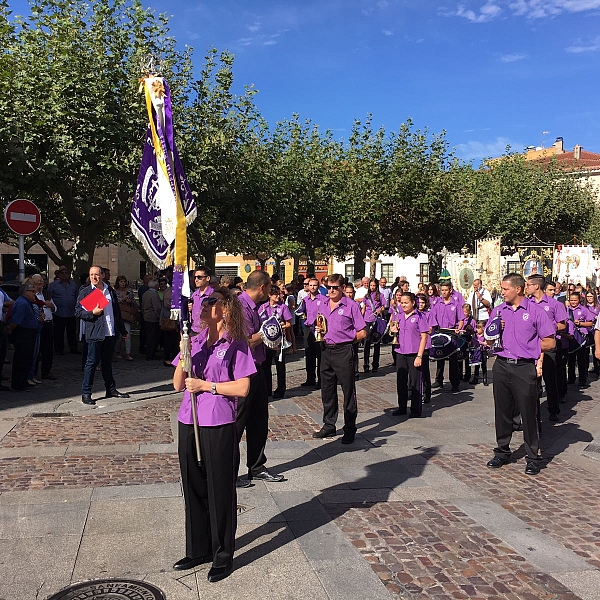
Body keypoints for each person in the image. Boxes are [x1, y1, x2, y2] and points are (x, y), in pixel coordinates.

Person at [172, 287, 256, 582]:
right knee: (193, 484)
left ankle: (222, 554)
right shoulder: (192, 341)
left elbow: (243, 388)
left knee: (220, 489)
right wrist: (185, 357)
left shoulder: (236, 344)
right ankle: (198, 549)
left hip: (218, 421)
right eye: (200, 303)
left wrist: (208, 386)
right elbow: (177, 385)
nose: (202, 306)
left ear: (224, 308)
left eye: (208, 302)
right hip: (189, 419)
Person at [486, 273, 555, 476]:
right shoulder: (498, 311)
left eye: (505, 289)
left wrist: (530, 348)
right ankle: (502, 450)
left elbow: (550, 342)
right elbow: (489, 339)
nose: (502, 292)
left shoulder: (535, 311)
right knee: (503, 410)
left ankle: (533, 456)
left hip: (524, 367)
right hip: (501, 365)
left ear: (518, 289)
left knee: (528, 412)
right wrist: (492, 335)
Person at [237, 270, 283, 484]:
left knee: (259, 421)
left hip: (258, 368)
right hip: (243, 371)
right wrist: (267, 332)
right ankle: (228, 470)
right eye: (269, 287)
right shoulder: (240, 306)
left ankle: (256, 466)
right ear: (263, 287)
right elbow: (245, 340)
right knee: (237, 423)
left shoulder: (254, 307)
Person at [313, 274, 366, 444]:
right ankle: (329, 424)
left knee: (348, 391)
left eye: (335, 287)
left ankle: (350, 428)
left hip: (343, 350)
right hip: (325, 350)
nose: (331, 291)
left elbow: (362, 332)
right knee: (327, 390)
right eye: (328, 287)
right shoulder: (322, 303)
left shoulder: (351, 306)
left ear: (342, 287)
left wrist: (347, 339)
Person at [76, 266, 130, 405]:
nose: (94, 277)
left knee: (107, 363)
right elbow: (78, 312)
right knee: (91, 363)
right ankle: (86, 393)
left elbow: (116, 312)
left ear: (102, 275)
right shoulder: (86, 291)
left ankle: (110, 389)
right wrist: (92, 313)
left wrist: (122, 331)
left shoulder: (109, 290)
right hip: (95, 332)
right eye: (91, 274)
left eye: (96, 274)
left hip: (110, 332)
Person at [525, 274, 567, 421]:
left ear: (536, 286)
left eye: (528, 284)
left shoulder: (555, 304)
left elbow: (563, 324)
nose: (526, 287)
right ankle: (532, 411)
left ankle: (553, 409)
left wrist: (547, 327)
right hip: (531, 346)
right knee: (531, 381)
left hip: (548, 345)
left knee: (550, 379)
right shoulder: (526, 303)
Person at [389, 292, 429, 418]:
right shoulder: (399, 316)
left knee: (415, 381)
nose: (404, 305)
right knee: (401, 380)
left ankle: (415, 409)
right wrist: (392, 330)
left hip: (414, 353)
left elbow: (424, 337)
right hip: (401, 351)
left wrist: (419, 356)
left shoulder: (419, 317)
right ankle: (401, 407)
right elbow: (392, 328)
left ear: (413, 303)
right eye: (402, 303)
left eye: (406, 303)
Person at [9, 281, 43, 391]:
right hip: (23, 334)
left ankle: (23, 381)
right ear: (25, 292)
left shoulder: (27, 302)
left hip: (29, 333)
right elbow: (15, 322)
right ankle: (18, 383)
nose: (34, 294)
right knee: (22, 359)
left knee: (27, 358)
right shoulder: (22, 303)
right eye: (32, 291)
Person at [430, 282, 464, 392]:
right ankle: (439, 380)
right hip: (440, 331)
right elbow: (433, 318)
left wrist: (459, 328)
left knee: (453, 359)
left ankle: (455, 384)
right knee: (440, 356)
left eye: (445, 290)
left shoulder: (456, 304)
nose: (443, 292)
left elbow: (461, 320)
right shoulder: (437, 303)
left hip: (452, 332)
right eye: (442, 290)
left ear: (450, 290)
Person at [260, 286, 292, 399]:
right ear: (269, 295)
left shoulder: (283, 307)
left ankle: (280, 390)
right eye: (275, 294)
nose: (277, 296)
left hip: (279, 342)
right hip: (266, 342)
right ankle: (267, 389)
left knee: (280, 367)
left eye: (279, 294)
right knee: (266, 367)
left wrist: (281, 325)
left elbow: (289, 323)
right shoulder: (263, 307)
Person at [48, 266, 79, 355]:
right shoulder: (53, 285)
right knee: (58, 333)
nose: (64, 275)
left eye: (66, 273)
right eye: (62, 273)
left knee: (72, 332)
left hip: (71, 312)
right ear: (59, 274)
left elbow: (76, 297)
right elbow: (49, 297)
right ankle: (59, 349)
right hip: (58, 313)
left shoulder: (73, 285)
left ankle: (73, 348)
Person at [566, 291, 594, 388]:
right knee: (570, 359)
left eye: (575, 300)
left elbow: (590, 323)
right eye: (571, 300)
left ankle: (582, 379)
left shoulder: (584, 310)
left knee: (581, 360)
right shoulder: (566, 310)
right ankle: (571, 378)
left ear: (579, 300)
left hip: (581, 338)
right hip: (570, 337)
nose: (573, 302)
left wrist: (581, 324)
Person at [31, 273, 56, 383]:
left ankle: (46, 371)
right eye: (37, 282)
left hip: (48, 323)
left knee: (48, 349)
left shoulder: (47, 294)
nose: (40, 284)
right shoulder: (31, 294)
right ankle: (33, 373)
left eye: (41, 281)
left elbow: (55, 309)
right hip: (38, 324)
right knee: (36, 350)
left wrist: (51, 306)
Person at [301, 278, 326, 388]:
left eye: (315, 285)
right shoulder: (305, 300)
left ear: (318, 286)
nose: (312, 287)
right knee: (309, 355)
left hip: (318, 328)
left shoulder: (324, 299)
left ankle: (321, 380)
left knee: (320, 355)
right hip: (308, 328)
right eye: (310, 285)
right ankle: (310, 378)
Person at [360, 278, 384, 373]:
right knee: (367, 343)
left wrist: (379, 310)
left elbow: (384, 306)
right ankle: (366, 364)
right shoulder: (366, 296)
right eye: (371, 285)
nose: (372, 287)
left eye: (374, 285)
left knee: (376, 343)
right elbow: (364, 308)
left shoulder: (380, 295)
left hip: (376, 320)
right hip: (367, 320)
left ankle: (375, 364)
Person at [113, 275, 137, 361]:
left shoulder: (129, 291)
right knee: (119, 336)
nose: (123, 283)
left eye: (124, 281)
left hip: (127, 315)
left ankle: (128, 353)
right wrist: (122, 299)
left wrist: (131, 301)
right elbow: (113, 302)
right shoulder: (115, 292)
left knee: (128, 334)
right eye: (121, 282)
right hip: (118, 315)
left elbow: (135, 302)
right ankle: (117, 352)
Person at [141, 280, 162, 361]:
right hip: (152, 318)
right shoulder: (154, 294)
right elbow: (157, 307)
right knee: (152, 336)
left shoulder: (145, 293)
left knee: (149, 336)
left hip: (146, 316)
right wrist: (159, 316)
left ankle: (149, 352)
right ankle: (150, 354)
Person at [190, 267, 215, 334]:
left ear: (207, 278)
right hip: (193, 331)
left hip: (207, 332)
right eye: (195, 277)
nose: (196, 280)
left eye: (199, 277)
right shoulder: (194, 295)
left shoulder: (213, 295)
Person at [0, 286, 14, 391]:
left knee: (2, 352)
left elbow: (12, 302)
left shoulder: (1, 291)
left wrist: (4, 305)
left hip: (2, 323)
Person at [584, 290, 600, 377]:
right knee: (585, 352)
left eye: (591, 296)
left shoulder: (598, 306)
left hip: (596, 330)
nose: (589, 298)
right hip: (587, 331)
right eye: (588, 297)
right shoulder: (584, 306)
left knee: (596, 350)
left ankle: (597, 368)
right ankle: (585, 371)